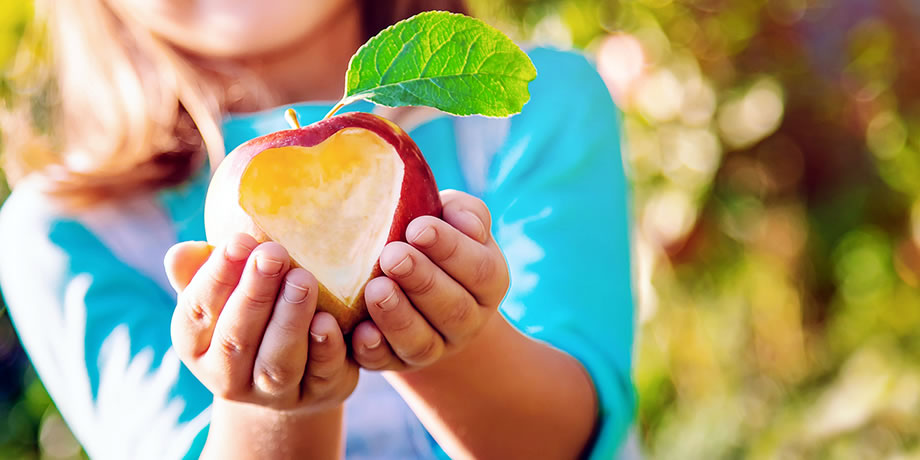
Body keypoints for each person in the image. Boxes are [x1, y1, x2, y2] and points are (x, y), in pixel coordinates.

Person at [0, 0, 636, 458]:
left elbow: (563, 438)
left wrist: (449, 339)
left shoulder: (532, 107)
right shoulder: (66, 231)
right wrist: (272, 405)